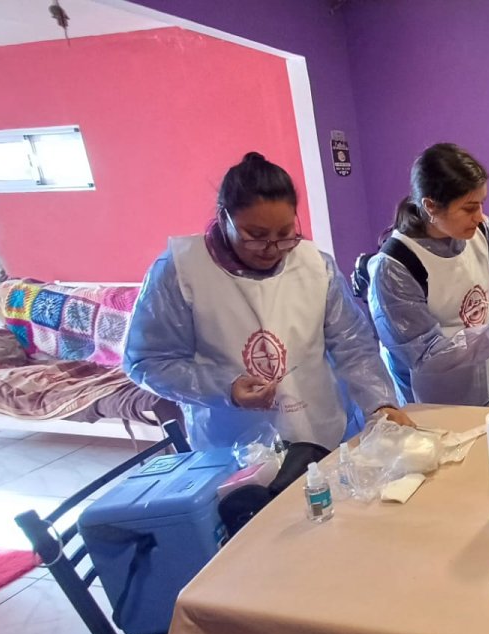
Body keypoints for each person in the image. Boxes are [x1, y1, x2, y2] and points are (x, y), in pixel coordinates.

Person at [124, 152, 411, 451]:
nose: (272, 248)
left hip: (321, 431)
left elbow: (354, 347)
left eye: (285, 233)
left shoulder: (315, 266)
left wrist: (380, 404)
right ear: (224, 217)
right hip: (232, 448)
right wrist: (226, 387)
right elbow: (149, 361)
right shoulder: (181, 270)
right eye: (256, 235)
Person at [367, 142, 489, 406]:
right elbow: (425, 355)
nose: (480, 217)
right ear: (431, 206)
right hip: (437, 400)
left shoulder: (479, 229)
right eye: (469, 207)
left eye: (482, 204)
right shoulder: (395, 267)